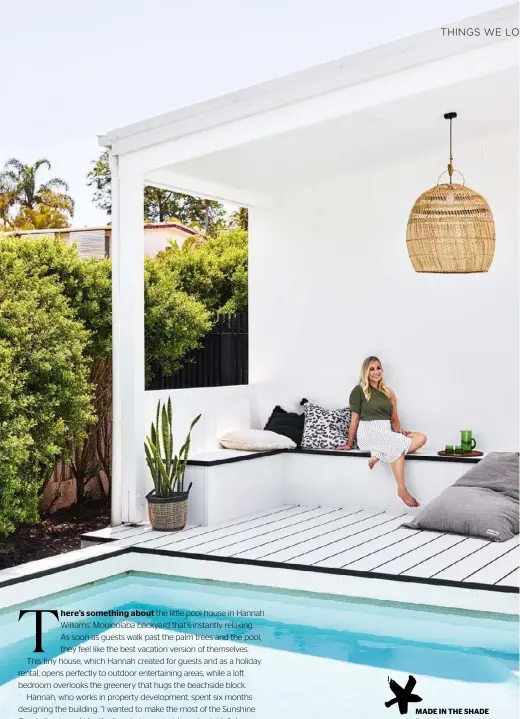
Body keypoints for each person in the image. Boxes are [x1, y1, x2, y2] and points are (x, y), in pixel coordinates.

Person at [336, 356, 427, 508]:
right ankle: (402, 489)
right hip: (368, 433)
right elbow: (355, 419)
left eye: (378, 368)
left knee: (421, 438)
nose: (376, 372)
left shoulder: (389, 392)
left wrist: (399, 431)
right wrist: (349, 444)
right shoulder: (359, 391)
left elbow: (394, 420)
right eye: (371, 369)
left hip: (386, 432)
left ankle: (377, 454)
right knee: (397, 446)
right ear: (366, 372)